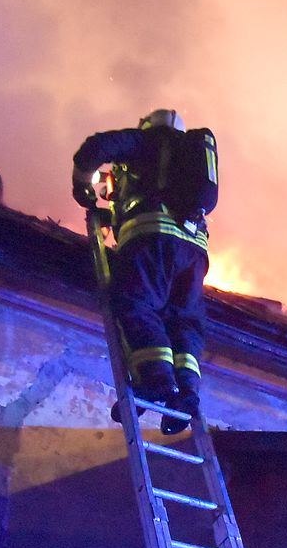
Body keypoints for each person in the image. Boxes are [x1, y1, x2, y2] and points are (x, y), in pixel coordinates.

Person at [72, 108, 218, 434]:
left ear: (149, 125)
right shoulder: (190, 164)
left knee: (137, 303)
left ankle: (155, 378)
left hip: (153, 238)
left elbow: (93, 149)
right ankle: (186, 394)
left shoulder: (145, 142)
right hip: (194, 252)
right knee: (184, 321)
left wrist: (81, 184)